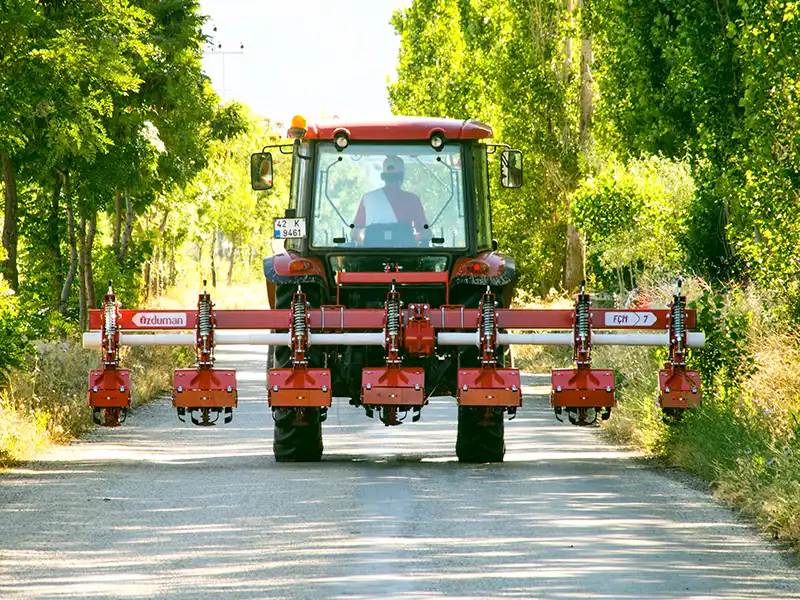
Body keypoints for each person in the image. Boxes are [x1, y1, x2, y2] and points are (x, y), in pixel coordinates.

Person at [352, 156, 430, 245]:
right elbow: (426, 233)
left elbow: (355, 234)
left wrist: (368, 245)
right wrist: (410, 239)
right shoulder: (413, 200)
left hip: (371, 257)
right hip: (406, 257)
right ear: (402, 176)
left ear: (383, 176)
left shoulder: (367, 198)